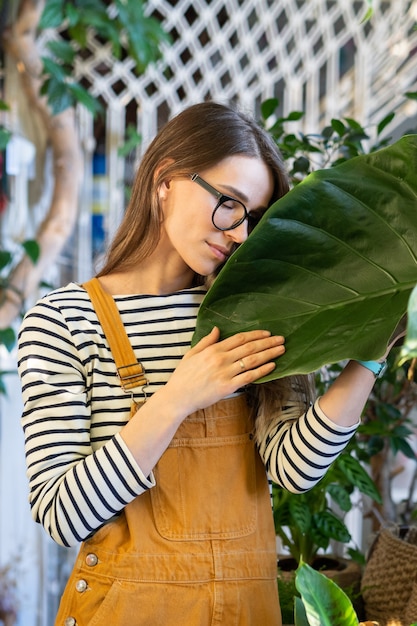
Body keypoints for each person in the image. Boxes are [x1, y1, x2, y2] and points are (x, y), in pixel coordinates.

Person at [17, 101, 399, 626]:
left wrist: (372, 351)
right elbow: (63, 514)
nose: (240, 233)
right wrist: (178, 397)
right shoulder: (64, 322)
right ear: (165, 180)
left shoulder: (255, 311)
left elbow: (295, 469)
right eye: (230, 203)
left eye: (255, 219)